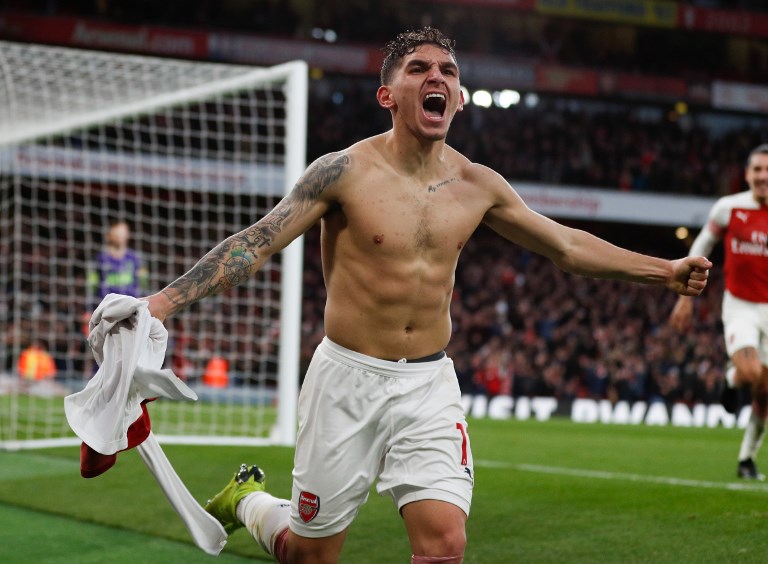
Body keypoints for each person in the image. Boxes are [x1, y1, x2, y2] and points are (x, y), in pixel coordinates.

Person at [142, 27, 711, 564]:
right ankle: (248, 500)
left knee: (445, 543)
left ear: (459, 98)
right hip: (345, 381)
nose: (437, 76)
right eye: (420, 68)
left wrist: (663, 271)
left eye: (448, 70)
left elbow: (563, 245)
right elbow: (257, 243)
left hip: (428, 384)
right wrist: (159, 306)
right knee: (311, 554)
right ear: (388, 94)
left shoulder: (478, 185)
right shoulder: (341, 171)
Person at [670, 143, 768, 481]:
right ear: (747, 174)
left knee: (764, 392)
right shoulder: (729, 207)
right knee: (753, 374)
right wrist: (685, 295)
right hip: (741, 305)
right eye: (757, 169)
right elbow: (702, 245)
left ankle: (746, 459)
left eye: (767, 170)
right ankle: (731, 378)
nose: (763, 176)